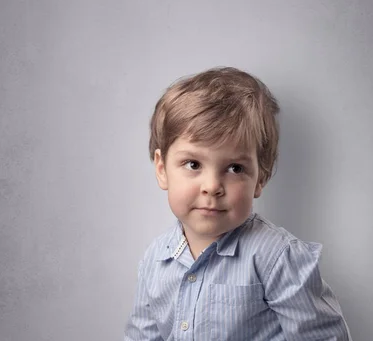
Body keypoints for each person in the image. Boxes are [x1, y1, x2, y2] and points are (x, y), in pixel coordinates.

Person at [124, 66, 352, 340]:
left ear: (260, 179)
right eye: (193, 164)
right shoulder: (155, 260)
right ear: (162, 169)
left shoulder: (277, 258)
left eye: (234, 168)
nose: (211, 186)